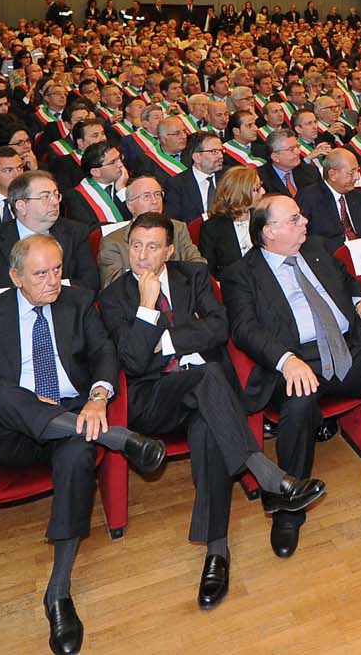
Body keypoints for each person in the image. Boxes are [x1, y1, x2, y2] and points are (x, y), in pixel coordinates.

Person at [98, 215, 325, 608]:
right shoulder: (114, 296)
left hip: (207, 397)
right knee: (206, 377)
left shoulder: (194, 276)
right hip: (156, 397)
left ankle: (216, 553)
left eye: (153, 247)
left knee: (208, 425)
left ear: (170, 250)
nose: (143, 255)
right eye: (135, 245)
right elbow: (133, 361)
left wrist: (161, 340)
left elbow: (219, 328)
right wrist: (148, 307)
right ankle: (270, 478)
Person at [0, 233, 167, 645]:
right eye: (41, 274)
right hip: (12, 435)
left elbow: (105, 353)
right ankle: (120, 439)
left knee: (76, 456)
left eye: (57, 270)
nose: (53, 281)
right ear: (15, 276)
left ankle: (58, 592)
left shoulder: (77, 302)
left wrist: (98, 395)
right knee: (0, 391)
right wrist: (29, 402)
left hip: (74, 417)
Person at [220, 194, 361, 560]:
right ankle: (289, 503)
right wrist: (285, 360)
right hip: (295, 358)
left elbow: (346, 280)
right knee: (298, 402)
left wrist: (360, 301)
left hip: (344, 347)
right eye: (295, 219)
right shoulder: (241, 273)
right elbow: (245, 329)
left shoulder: (314, 248)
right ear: (269, 232)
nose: (305, 223)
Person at [0, 170, 98, 309]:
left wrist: (46, 290)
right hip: (7, 318)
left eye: (56, 195)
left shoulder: (75, 233)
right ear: (21, 206)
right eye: (45, 197)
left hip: (64, 312)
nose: (55, 202)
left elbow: (90, 284)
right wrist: (25, 294)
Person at [94, 174, 206, 285]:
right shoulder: (112, 242)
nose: (154, 201)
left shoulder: (178, 228)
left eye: (157, 194)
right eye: (146, 196)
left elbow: (199, 266)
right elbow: (112, 286)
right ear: (130, 205)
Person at [198, 165, 262, 274]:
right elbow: (210, 271)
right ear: (241, 193)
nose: (263, 192)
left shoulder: (263, 219)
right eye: (257, 189)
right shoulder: (212, 228)